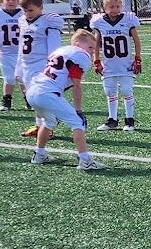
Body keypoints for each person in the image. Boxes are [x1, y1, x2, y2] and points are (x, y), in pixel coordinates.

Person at [26, 28, 101, 170]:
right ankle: (85, 161)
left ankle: (39, 154)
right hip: (46, 92)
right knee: (77, 122)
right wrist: (78, 110)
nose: (92, 51)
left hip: (32, 90)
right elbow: (76, 86)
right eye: (90, 47)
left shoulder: (61, 51)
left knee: (49, 121)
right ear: (78, 45)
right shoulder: (78, 55)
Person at [90, 0, 143, 130]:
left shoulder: (127, 20)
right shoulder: (99, 22)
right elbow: (95, 43)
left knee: (126, 90)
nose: (115, 9)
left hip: (125, 63)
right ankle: (112, 119)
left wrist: (137, 59)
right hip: (108, 64)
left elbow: (137, 41)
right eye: (111, 7)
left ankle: (129, 119)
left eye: (118, 6)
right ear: (104, 7)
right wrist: (96, 60)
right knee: (110, 91)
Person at [16, 0, 64, 138]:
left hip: (41, 64)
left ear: (41, 7)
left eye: (31, 10)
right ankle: (39, 126)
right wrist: (18, 68)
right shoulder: (22, 21)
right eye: (24, 10)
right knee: (33, 98)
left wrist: (51, 66)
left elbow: (54, 47)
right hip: (26, 64)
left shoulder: (48, 21)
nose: (27, 13)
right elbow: (21, 45)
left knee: (39, 96)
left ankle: (48, 125)